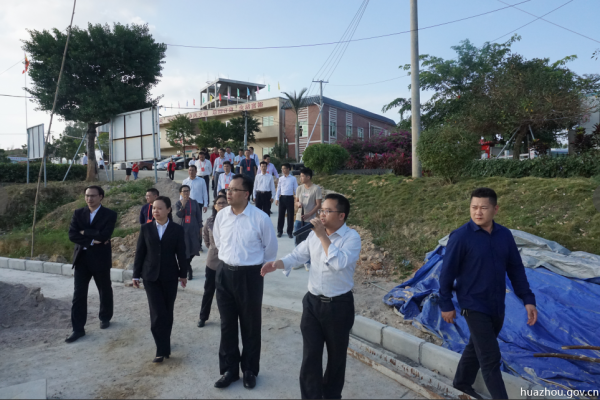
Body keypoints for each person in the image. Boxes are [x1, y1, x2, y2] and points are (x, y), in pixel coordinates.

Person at [439, 187, 538, 400]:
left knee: (477, 345)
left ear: (495, 209)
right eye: (474, 207)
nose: (478, 212)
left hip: (496, 304)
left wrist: (528, 299)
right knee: (491, 357)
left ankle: (461, 382)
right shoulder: (461, 237)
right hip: (472, 305)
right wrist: (445, 303)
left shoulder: (505, 235)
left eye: (483, 208)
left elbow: (516, 269)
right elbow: (447, 273)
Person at [261, 194, 360, 399]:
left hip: (338, 306)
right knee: (310, 356)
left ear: (341, 215)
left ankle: (331, 396)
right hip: (313, 304)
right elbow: (298, 255)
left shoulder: (351, 238)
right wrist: (278, 264)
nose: (321, 214)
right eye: (321, 210)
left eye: (327, 211)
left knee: (336, 358)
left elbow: (339, 263)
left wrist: (323, 236)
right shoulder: (314, 235)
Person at [213, 174, 278, 390]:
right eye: (228, 189)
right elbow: (219, 241)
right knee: (227, 324)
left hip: (250, 276)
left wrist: (255, 268)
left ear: (246, 194)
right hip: (224, 274)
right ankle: (229, 370)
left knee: (250, 325)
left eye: (234, 190)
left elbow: (270, 249)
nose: (228, 193)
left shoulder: (260, 218)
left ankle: (249, 370)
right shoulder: (222, 216)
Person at [132, 196, 189, 363]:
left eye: (159, 208)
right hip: (150, 276)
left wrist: (183, 274)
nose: (155, 211)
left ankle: (165, 344)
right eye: (154, 208)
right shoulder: (146, 228)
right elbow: (140, 253)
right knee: (157, 313)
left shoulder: (177, 229)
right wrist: (136, 274)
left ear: (169, 210)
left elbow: (181, 253)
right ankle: (160, 349)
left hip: (170, 276)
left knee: (167, 312)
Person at [66, 186, 118, 343]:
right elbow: (72, 234)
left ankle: (105, 317)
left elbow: (104, 235)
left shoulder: (109, 214)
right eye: (87, 195)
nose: (89, 199)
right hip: (81, 259)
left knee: (104, 289)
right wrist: (91, 240)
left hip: (100, 259)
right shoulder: (78, 213)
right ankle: (78, 329)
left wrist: (85, 232)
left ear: (101, 196)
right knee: (78, 295)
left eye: (93, 196)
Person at [198, 194, 228, 328]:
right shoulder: (209, 221)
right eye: (219, 203)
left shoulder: (233, 220)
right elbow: (206, 239)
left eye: (224, 203)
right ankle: (203, 317)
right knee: (209, 290)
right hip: (213, 261)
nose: (221, 205)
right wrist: (213, 249)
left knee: (226, 293)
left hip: (228, 261)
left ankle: (226, 318)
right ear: (214, 206)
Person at [294, 167, 322, 270]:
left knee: (308, 241)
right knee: (297, 240)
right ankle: (298, 260)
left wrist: (309, 214)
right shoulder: (299, 188)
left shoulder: (316, 189)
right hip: (299, 218)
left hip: (310, 220)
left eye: (302, 176)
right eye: (300, 176)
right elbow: (296, 201)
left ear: (308, 177)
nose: (300, 178)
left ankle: (307, 262)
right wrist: (298, 204)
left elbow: (318, 205)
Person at [175, 185, 203, 280]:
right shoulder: (178, 203)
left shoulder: (194, 202)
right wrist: (183, 206)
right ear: (180, 193)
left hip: (194, 227)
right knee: (185, 248)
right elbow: (179, 215)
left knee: (194, 247)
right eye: (184, 191)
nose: (186, 193)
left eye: (187, 191)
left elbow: (199, 216)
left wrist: (200, 228)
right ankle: (188, 269)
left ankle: (187, 264)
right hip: (183, 228)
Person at [182, 165, 209, 252]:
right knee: (188, 224)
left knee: (198, 225)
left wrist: (205, 204)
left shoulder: (201, 181)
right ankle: (188, 244)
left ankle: (199, 245)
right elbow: (182, 193)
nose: (191, 172)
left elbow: (205, 193)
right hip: (187, 204)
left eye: (193, 170)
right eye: (189, 170)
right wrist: (181, 203)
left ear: (196, 171)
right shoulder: (185, 181)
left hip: (198, 205)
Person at [275, 163, 298, 238]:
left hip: (290, 198)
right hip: (282, 198)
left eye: (284, 168)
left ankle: (290, 232)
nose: (283, 170)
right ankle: (280, 231)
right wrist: (277, 198)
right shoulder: (281, 179)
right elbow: (278, 189)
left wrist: (297, 199)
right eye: (282, 169)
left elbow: (296, 189)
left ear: (288, 169)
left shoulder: (293, 178)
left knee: (290, 216)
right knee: (281, 215)